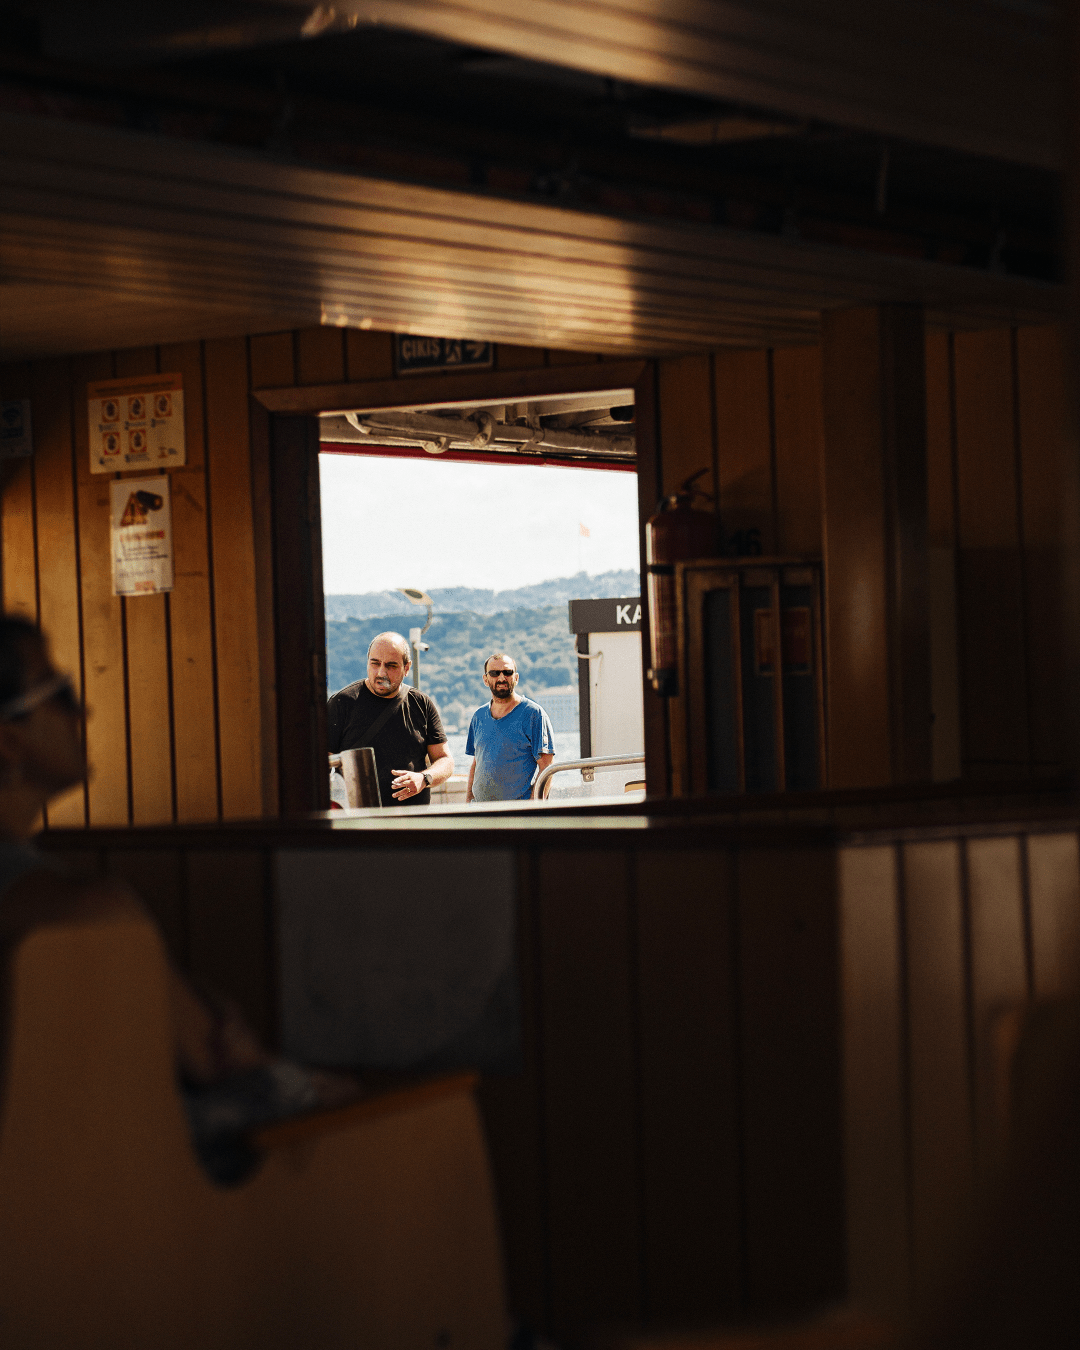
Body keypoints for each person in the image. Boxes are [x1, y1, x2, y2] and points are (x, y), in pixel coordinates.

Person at [0, 615, 358, 1182]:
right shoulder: (85, 915)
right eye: (60, 693)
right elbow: (219, 1063)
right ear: (8, 735)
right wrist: (303, 1087)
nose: (83, 712)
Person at [326, 631, 453, 807]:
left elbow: (444, 760)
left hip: (411, 824)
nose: (381, 672)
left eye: (391, 666)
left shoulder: (421, 704)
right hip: (358, 824)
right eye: (375, 663)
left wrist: (423, 778)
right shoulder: (341, 703)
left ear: (407, 668)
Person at [465, 653, 554, 803]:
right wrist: (468, 801)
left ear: (516, 678)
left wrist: (534, 809)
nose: (501, 678)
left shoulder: (534, 714)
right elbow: (476, 763)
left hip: (518, 817)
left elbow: (547, 768)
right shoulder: (478, 716)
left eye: (507, 672)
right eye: (494, 673)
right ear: (485, 679)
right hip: (480, 814)